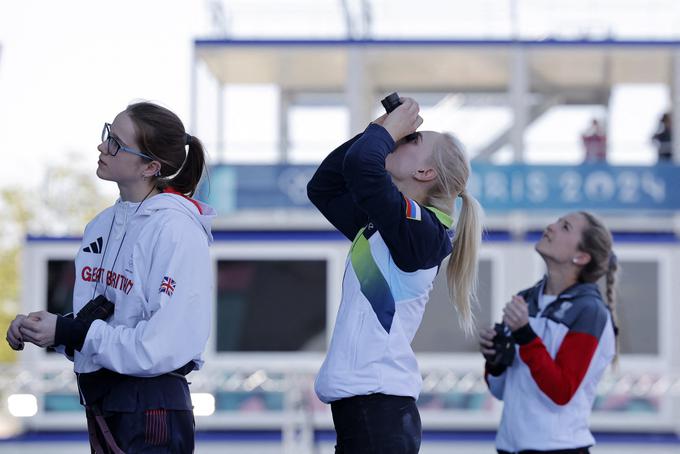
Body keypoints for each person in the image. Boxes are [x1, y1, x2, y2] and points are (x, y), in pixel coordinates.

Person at [5, 101, 215, 453]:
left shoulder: (177, 230)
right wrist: (46, 330)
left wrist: (67, 331)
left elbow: (159, 347)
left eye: (116, 143)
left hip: (153, 410)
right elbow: (105, 320)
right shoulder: (100, 224)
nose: (102, 147)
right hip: (105, 402)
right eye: (107, 135)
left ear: (150, 166)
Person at [308, 96, 482, 453]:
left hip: (379, 409)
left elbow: (363, 168)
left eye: (412, 140)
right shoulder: (386, 227)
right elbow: (325, 186)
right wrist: (380, 131)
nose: (402, 140)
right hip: (369, 409)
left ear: (425, 173)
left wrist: (383, 132)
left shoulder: (424, 234)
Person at [479, 211, 619, 454]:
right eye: (557, 221)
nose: (551, 227)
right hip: (509, 448)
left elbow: (561, 390)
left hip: (559, 448)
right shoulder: (526, 299)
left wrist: (525, 335)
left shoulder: (589, 311)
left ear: (581, 256)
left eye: (564, 227)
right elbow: (501, 391)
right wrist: (495, 360)